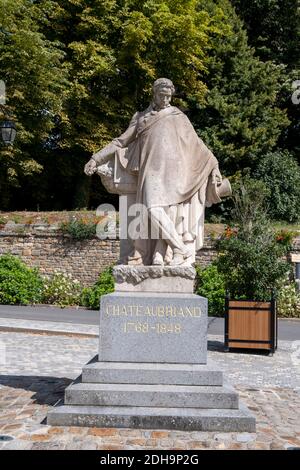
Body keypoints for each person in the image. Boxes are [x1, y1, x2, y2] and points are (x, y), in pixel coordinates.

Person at [84, 78, 224, 266]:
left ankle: (169, 252)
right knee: (152, 209)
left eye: (168, 96)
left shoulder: (178, 116)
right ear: (154, 94)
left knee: (167, 214)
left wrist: (214, 166)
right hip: (149, 171)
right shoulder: (141, 117)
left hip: (174, 171)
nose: (166, 99)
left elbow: (197, 145)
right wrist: (96, 158)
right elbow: (120, 142)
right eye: (162, 95)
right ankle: (177, 248)